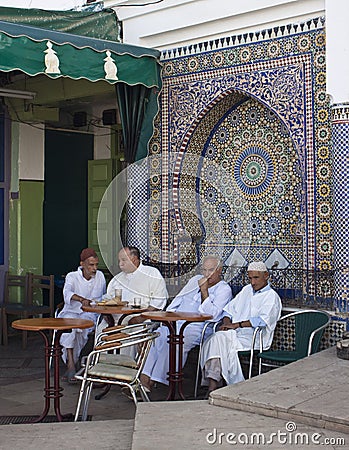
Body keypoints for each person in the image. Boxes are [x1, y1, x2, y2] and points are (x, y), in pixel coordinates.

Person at [140, 255, 232, 392]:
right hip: (177, 320)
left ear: (219, 270)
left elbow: (212, 316)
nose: (207, 274)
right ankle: (143, 379)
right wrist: (169, 315)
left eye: (211, 270)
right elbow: (179, 299)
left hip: (197, 327)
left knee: (176, 342)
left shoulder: (224, 289)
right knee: (157, 338)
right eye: (204, 270)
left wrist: (204, 291)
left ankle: (154, 381)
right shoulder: (195, 280)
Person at [200, 261, 282, 394]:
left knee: (217, 340)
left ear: (266, 275)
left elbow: (261, 321)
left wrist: (236, 325)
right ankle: (214, 385)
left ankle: (213, 385)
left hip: (254, 338)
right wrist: (227, 324)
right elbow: (228, 310)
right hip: (235, 333)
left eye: (256, 278)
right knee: (218, 339)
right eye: (250, 278)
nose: (253, 282)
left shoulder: (271, 296)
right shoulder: (246, 290)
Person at [58, 248, 106, 383]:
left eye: (96, 264)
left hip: (89, 314)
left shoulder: (100, 276)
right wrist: (81, 300)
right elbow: (67, 293)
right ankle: (71, 364)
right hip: (71, 312)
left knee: (80, 330)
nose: (94, 268)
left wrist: (94, 305)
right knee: (69, 329)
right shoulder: (72, 276)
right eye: (91, 265)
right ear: (82, 264)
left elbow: (103, 297)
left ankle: (73, 362)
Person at [100, 246, 168, 329]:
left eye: (123, 260)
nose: (120, 264)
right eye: (119, 260)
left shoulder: (152, 274)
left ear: (134, 260)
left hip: (139, 319)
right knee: (101, 332)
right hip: (113, 320)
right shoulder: (116, 279)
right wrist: (107, 315)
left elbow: (158, 301)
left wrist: (140, 318)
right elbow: (107, 300)